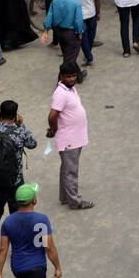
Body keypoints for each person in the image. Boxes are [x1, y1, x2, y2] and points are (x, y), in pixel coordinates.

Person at [0, 99, 38, 266]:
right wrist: (21, 125)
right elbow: (33, 144)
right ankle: (19, 249)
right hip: (15, 184)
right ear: (15, 115)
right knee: (18, 216)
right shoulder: (18, 133)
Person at [48, 61, 94, 210]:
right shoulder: (61, 93)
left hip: (75, 137)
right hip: (69, 139)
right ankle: (75, 201)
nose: (72, 79)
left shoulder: (70, 89)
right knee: (71, 171)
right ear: (61, 76)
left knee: (67, 169)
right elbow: (52, 116)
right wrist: (54, 130)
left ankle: (65, 197)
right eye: (68, 76)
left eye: (74, 76)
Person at [42, 0, 86, 83]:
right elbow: (78, 21)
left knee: (68, 55)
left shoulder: (55, 1)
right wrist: (79, 32)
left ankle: (79, 76)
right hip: (71, 33)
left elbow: (49, 16)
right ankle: (60, 81)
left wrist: (46, 30)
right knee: (69, 59)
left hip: (59, 33)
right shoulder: (76, 3)